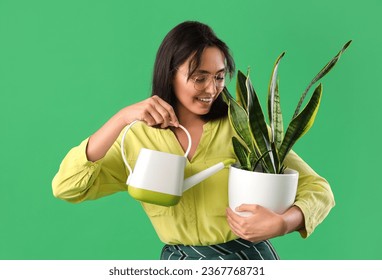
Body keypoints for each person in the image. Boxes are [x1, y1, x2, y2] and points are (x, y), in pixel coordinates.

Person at [52, 21, 334, 260]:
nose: (212, 89)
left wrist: (284, 223)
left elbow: (319, 189)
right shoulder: (137, 138)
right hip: (180, 262)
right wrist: (121, 118)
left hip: (248, 258)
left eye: (220, 77)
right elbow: (67, 187)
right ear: (170, 73)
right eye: (199, 78)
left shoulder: (243, 129)